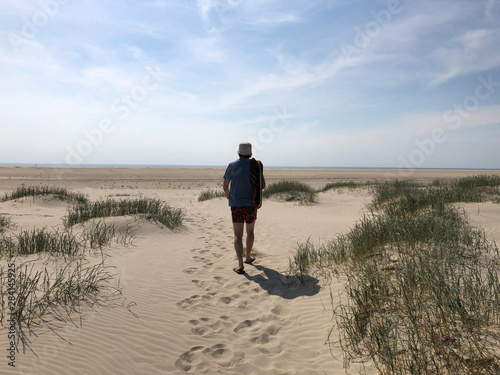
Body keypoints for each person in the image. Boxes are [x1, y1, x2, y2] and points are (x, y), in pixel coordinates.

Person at [223, 142, 266, 274]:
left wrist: (229, 196)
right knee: (250, 232)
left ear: (238, 152)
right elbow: (263, 185)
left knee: (237, 235)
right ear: (250, 153)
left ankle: (240, 265)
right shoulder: (255, 166)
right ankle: (247, 257)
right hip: (251, 204)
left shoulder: (232, 165)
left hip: (236, 204)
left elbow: (225, 185)